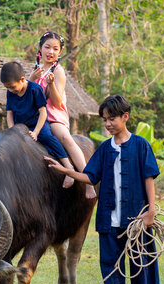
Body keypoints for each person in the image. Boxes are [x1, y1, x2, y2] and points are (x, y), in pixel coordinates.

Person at [44, 94, 161, 284]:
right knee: (110, 265)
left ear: (125, 117)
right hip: (109, 218)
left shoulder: (140, 145)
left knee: (141, 263)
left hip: (137, 217)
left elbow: (149, 177)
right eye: (104, 119)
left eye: (111, 119)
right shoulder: (105, 148)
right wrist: (67, 171)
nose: (107, 124)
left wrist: (151, 211)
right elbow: (90, 175)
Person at [0, 61, 73, 196]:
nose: (11, 90)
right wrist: (11, 130)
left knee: (47, 138)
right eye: (7, 88)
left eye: (12, 87)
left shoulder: (35, 89)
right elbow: (9, 114)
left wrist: (36, 132)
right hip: (19, 126)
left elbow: (43, 113)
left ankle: (69, 168)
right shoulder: (10, 92)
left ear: (22, 80)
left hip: (37, 124)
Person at [29, 31, 96, 199]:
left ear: (60, 52)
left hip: (53, 115)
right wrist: (31, 78)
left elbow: (57, 102)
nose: (50, 52)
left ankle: (88, 183)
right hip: (36, 115)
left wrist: (50, 85)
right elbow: (27, 94)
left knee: (65, 137)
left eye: (55, 49)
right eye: (47, 47)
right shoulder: (36, 69)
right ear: (40, 48)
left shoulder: (58, 71)